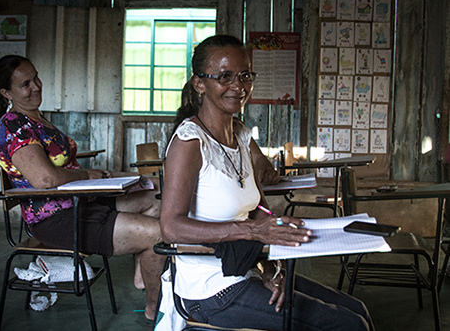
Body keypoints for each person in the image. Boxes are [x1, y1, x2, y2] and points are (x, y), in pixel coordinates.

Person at [160, 35, 374, 330]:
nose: (238, 86)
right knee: (348, 324)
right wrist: (253, 231)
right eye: (225, 76)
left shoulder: (241, 136)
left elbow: (259, 205)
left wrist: (272, 261)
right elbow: (171, 226)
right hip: (209, 290)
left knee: (357, 309)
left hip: (246, 268)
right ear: (200, 83)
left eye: (245, 75)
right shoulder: (189, 141)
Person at [0, 55, 164, 319]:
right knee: (159, 234)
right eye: (25, 84)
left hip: (79, 202)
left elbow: (65, 173)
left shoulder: (38, 120)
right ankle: (156, 308)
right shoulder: (14, 125)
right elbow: (45, 180)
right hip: (56, 220)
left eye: (36, 77)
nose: (36, 86)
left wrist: (117, 178)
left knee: (157, 198)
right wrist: (88, 175)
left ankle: (144, 275)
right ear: (6, 92)